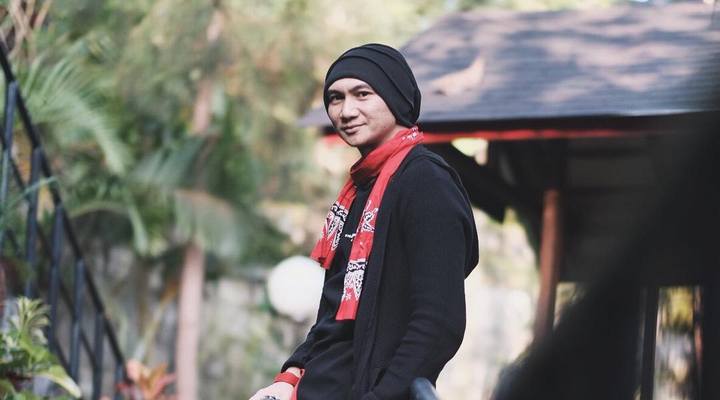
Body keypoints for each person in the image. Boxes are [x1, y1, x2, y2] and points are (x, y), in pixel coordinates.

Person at [249, 43, 479, 400]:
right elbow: (333, 313)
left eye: (362, 94)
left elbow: (438, 323)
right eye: (335, 98)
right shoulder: (359, 190)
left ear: (395, 97)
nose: (346, 111)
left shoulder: (425, 182)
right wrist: (289, 376)